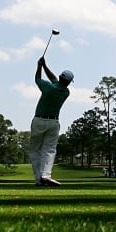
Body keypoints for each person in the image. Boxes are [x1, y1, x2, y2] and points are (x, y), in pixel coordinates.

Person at [29, 56, 73, 187]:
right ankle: (45, 175)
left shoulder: (48, 87)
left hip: (38, 121)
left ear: (60, 77)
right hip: (53, 123)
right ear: (69, 82)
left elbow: (37, 79)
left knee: (35, 150)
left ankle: (39, 179)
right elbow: (54, 79)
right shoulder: (66, 92)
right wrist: (45, 66)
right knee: (49, 150)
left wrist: (39, 66)